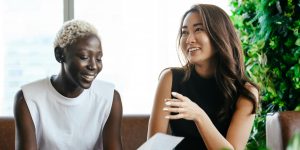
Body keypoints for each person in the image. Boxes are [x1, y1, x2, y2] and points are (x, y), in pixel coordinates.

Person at [147, 4, 259, 150]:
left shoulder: (246, 93)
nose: (189, 39)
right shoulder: (170, 79)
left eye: (198, 29)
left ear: (219, 35)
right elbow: (153, 147)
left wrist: (199, 116)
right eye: (184, 32)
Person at [14, 20, 123, 150]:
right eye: (84, 57)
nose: (93, 66)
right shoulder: (28, 99)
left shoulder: (109, 98)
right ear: (60, 55)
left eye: (98, 58)